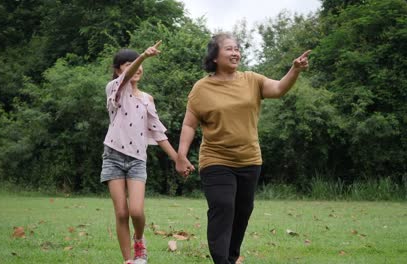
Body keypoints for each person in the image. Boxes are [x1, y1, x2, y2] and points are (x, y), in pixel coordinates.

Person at [175, 32, 310, 264]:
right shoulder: (201, 88)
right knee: (223, 207)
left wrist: (294, 70)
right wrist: (181, 155)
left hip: (249, 160)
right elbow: (189, 124)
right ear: (215, 56)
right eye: (229, 48)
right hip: (216, 159)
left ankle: (230, 257)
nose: (235, 52)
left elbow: (278, 89)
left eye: (237, 48)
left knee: (242, 212)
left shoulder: (251, 80)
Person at [100, 41, 193, 264]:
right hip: (112, 156)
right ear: (118, 70)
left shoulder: (147, 99)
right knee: (121, 213)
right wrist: (142, 56)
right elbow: (125, 78)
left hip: (137, 160)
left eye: (138, 64)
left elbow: (158, 132)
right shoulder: (114, 89)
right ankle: (129, 260)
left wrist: (178, 159)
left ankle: (139, 240)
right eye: (128, 64)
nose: (136, 68)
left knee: (136, 211)